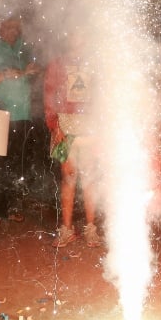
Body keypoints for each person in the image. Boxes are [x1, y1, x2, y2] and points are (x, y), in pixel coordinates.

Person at [0, 15, 41, 226]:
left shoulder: (23, 47)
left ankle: (12, 205)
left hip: (22, 113)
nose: (14, 31)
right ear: (0, 25)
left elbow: (31, 76)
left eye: (17, 27)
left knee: (16, 163)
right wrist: (2, 76)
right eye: (9, 26)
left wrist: (31, 71)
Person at [43, 33, 100, 248]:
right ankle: (67, 229)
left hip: (89, 125)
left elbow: (101, 96)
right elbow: (49, 95)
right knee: (68, 176)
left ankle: (90, 228)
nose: (78, 38)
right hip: (64, 125)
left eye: (81, 33)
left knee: (89, 176)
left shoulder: (94, 64)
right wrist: (54, 125)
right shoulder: (57, 64)